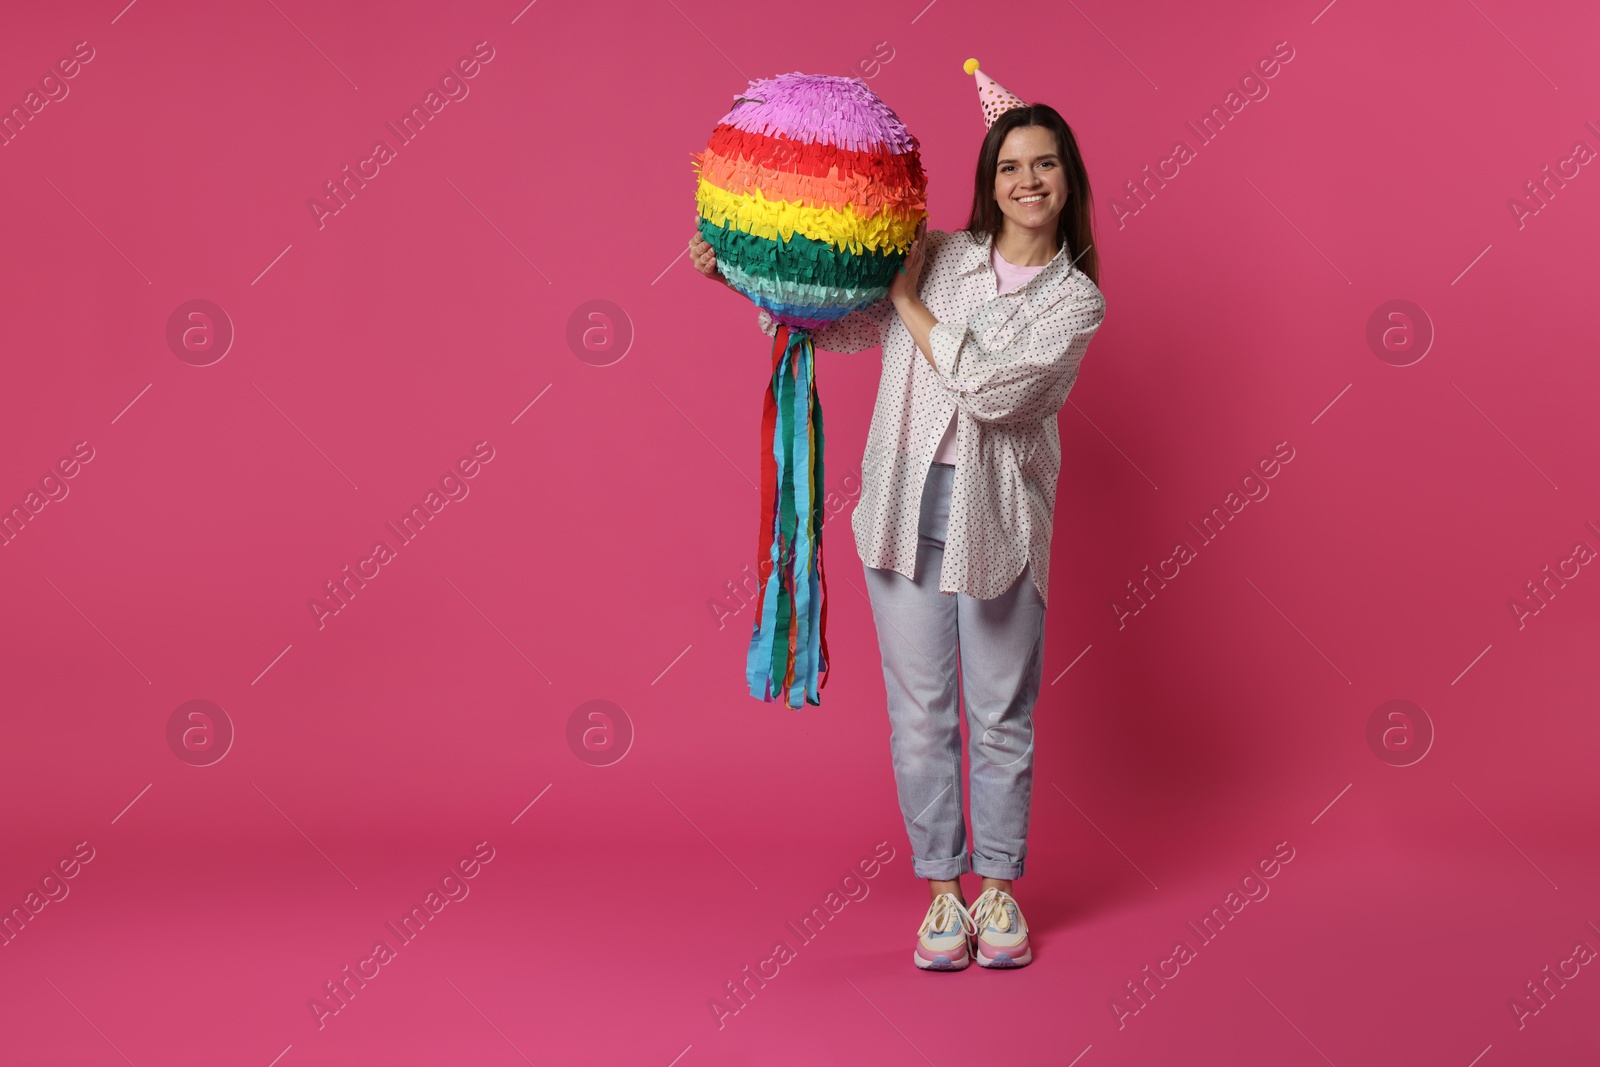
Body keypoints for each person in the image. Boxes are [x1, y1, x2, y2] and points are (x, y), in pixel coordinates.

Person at [688, 60, 1105, 971]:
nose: (1026, 182)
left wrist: (909, 302)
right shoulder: (941, 255)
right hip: (902, 508)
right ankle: (943, 896)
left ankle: (999, 890)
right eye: (1009, 166)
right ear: (989, 181)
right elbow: (848, 326)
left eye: (1044, 165)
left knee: (999, 712)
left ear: (1068, 179)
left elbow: (994, 391)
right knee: (922, 714)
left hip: (999, 522)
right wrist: (746, 282)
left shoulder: (1076, 301)